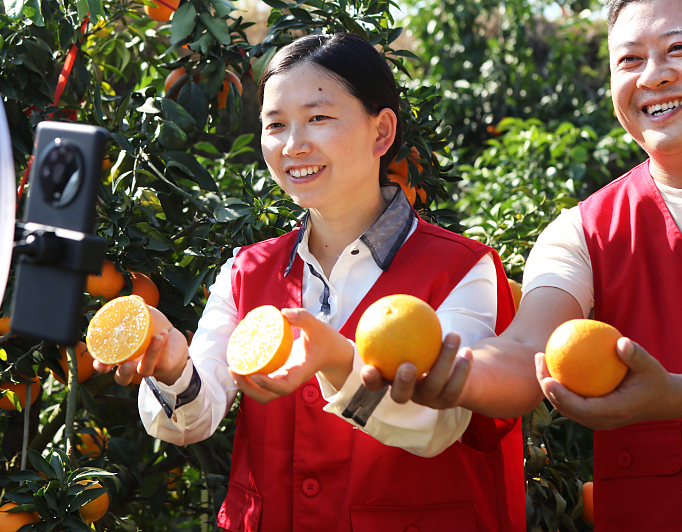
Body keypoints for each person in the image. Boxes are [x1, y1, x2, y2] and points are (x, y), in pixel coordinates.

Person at [374, 0, 682, 531]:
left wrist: (672, 396)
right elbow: (528, 348)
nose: (651, 76)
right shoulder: (581, 230)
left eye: (679, 48)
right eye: (628, 60)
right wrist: (456, 372)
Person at [93, 33, 525, 532]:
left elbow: (436, 424)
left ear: (381, 132)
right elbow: (193, 418)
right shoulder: (245, 273)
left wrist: (340, 361)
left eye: (318, 118)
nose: (293, 143)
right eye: (275, 124)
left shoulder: (463, 270)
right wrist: (170, 365)